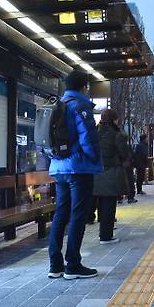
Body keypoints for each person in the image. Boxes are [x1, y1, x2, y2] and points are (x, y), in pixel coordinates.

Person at [48, 70, 101, 280]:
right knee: (78, 215)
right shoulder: (80, 105)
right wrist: (95, 158)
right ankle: (73, 265)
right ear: (83, 87)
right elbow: (88, 138)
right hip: (78, 168)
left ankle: (55, 265)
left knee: (60, 214)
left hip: (59, 168)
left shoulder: (59, 105)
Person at [94, 108, 129, 244]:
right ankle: (106, 236)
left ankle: (103, 232)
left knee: (102, 204)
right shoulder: (117, 134)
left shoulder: (96, 132)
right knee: (109, 205)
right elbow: (124, 153)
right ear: (114, 120)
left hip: (96, 173)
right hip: (111, 173)